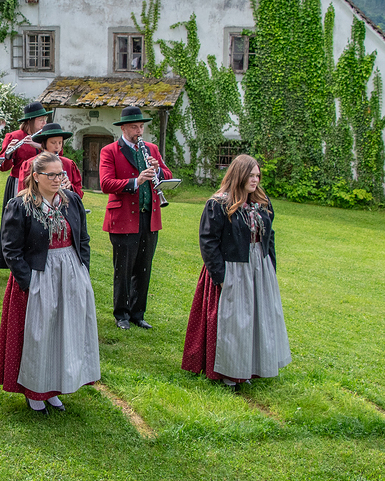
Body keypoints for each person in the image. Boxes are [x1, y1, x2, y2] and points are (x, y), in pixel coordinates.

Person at [0, 152, 99, 414]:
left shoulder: (71, 201)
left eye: (60, 174)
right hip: (38, 274)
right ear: (35, 176)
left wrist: (82, 271)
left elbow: (83, 239)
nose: (56, 179)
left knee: (64, 331)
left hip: (69, 272)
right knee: (39, 334)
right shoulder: (20, 205)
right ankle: (35, 391)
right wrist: (29, 282)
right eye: (50, 175)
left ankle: (54, 387)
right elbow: (10, 249)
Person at [181, 154, 291, 387]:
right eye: (250, 175)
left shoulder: (262, 202)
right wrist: (220, 276)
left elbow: (269, 237)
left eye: (257, 175)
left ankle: (250, 367)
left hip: (258, 268)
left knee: (255, 320)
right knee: (234, 322)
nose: (255, 180)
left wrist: (270, 267)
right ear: (239, 175)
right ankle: (230, 372)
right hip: (232, 268)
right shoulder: (219, 204)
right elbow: (208, 241)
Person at [99, 106, 172, 330]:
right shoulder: (110, 151)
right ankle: (121, 314)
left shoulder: (151, 149)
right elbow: (105, 183)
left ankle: (138, 314)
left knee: (144, 268)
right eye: (134, 127)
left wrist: (157, 171)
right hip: (123, 218)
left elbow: (168, 174)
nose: (139, 131)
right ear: (123, 128)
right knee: (123, 269)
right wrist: (136, 181)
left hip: (149, 217)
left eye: (141, 127)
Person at [0, 102, 50, 267]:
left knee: (39, 222)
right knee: (18, 221)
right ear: (30, 121)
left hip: (42, 184)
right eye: (41, 120)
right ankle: (14, 259)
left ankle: (36, 257)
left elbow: (57, 155)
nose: (44, 123)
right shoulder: (14, 136)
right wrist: (9, 153)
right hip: (18, 184)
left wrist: (40, 146)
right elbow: (2, 166)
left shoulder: (46, 136)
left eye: (45, 120)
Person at [18, 123, 83, 198]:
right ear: (44, 143)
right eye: (53, 143)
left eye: (60, 143)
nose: (57, 146)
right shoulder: (30, 164)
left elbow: (79, 194)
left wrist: (70, 187)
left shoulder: (69, 164)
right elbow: (22, 192)